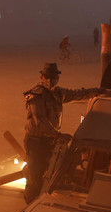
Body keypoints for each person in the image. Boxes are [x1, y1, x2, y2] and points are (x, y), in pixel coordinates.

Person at [22, 62, 106, 203]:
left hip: (49, 141)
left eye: (53, 77)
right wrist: (58, 135)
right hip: (36, 142)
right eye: (47, 77)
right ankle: (30, 205)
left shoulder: (58, 94)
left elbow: (78, 94)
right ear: (42, 77)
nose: (50, 80)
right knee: (35, 176)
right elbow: (40, 122)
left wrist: (98, 91)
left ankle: (43, 201)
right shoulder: (35, 95)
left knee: (51, 173)